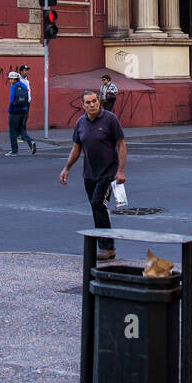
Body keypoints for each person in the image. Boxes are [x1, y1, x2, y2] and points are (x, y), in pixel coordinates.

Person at [60, 90, 127, 261]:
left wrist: (120, 170)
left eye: (95, 101)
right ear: (82, 105)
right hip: (89, 174)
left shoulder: (110, 119)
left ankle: (106, 247)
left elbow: (121, 144)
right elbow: (76, 148)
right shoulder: (80, 122)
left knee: (99, 204)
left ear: (99, 101)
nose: (92, 105)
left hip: (108, 173)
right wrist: (66, 168)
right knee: (97, 208)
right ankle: (106, 245)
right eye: (88, 102)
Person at [5, 69, 36, 156]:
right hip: (23, 111)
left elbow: (12, 100)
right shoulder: (24, 85)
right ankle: (31, 143)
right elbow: (27, 98)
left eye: (10, 79)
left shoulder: (13, 86)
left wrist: (10, 110)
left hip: (14, 112)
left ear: (13, 79)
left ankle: (14, 151)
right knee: (21, 129)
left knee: (12, 131)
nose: (10, 81)